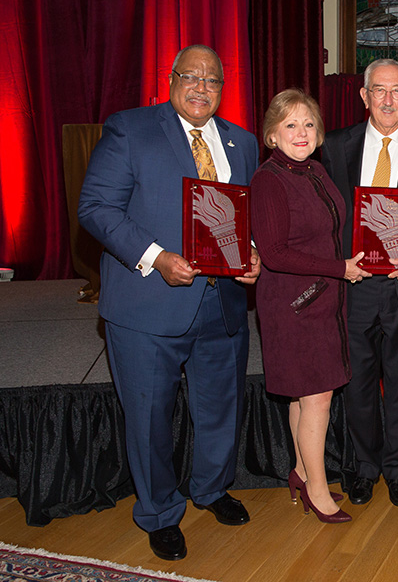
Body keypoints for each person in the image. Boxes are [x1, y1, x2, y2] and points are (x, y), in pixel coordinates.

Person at [78, 44, 260, 560]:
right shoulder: (130, 129)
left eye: (213, 80)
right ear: (172, 78)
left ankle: (211, 488)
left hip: (221, 303)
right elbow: (95, 208)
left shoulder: (241, 142)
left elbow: (242, 217)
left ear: (223, 89)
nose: (202, 87)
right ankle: (158, 512)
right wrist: (156, 257)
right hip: (149, 304)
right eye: (192, 76)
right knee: (150, 415)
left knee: (221, 408)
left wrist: (250, 255)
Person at [321, 59, 398, 507]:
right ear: (364, 96)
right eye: (379, 90)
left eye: (397, 91)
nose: (388, 99)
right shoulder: (335, 146)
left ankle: (397, 471)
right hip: (353, 287)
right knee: (356, 385)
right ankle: (363, 469)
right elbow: (324, 219)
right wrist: (337, 263)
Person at [251, 88, 370, 524]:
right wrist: (339, 269)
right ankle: (318, 491)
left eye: (307, 124)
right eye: (289, 125)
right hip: (292, 305)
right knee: (317, 396)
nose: (300, 133)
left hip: (323, 301)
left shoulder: (315, 171)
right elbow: (276, 253)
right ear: (271, 135)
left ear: (318, 132)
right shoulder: (269, 179)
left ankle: (302, 472)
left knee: (305, 396)